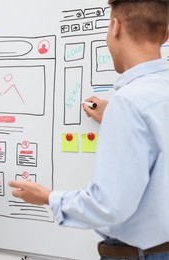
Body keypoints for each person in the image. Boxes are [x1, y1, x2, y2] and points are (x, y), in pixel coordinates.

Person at [9, 0, 169, 259]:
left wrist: (48, 197)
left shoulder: (128, 103)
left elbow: (110, 205)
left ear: (115, 26)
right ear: (166, 34)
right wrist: (116, 119)